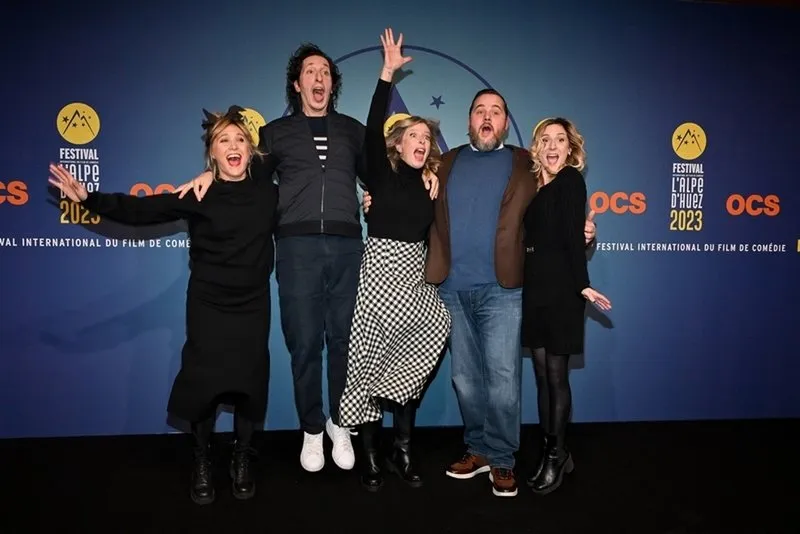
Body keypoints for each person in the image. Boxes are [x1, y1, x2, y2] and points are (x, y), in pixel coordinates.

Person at [175, 43, 438, 474]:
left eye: (325, 72)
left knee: (344, 342)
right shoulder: (274, 134)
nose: (319, 78)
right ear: (297, 84)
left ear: (332, 85)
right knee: (304, 344)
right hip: (296, 249)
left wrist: (424, 171)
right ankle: (312, 429)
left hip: (348, 247)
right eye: (310, 71)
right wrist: (210, 171)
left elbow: (383, 175)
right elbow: (242, 174)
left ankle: (340, 424)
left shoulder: (353, 131)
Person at [363, 94, 597, 498]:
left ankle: (503, 458)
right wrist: (373, 200)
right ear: (469, 120)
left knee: (503, 381)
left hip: (503, 292)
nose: (487, 118)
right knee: (466, 380)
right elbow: (399, 183)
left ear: (505, 123)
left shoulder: (527, 163)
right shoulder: (442, 162)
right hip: (451, 291)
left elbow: (559, 206)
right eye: (479, 112)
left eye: (496, 112)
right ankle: (479, 449)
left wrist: (585, 232)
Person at [47, 106, 278, 505]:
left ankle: (242, 457)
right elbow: (141, 211)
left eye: (240, 139)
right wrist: (89, 198)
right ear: (212, 153)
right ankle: (202, 457)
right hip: (208, 305)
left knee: (249, 383)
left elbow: (295, 156)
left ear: (251, 149)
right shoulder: (197, 194)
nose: (233, 146)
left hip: (252, 305)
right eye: (223, 140)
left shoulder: (267, 191)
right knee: (204, 385)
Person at [336, 29, 451, 493]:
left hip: (414, 277)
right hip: (379, 276)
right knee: (367, 364)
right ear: (398, 144)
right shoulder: (380, 176)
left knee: (433, 329)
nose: (421, 141)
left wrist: (436, 177)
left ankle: (402, 450)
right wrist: (386, 74)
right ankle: (370, 455)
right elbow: (370, 130)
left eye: (427, 138)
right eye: (413, 136)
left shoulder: (433, 184)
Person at [522, 117, 610, 495]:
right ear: (537, 148)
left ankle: (554, 457)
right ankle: (554, 448)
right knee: (542, 376)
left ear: (571, 148)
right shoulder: (535, 187)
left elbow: (574, 239)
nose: (553, 146)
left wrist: (582, 285)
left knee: (557, 377)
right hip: (536, 291)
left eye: (560, 140)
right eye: (546, 140)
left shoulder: (571, 181)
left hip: (561, 291)